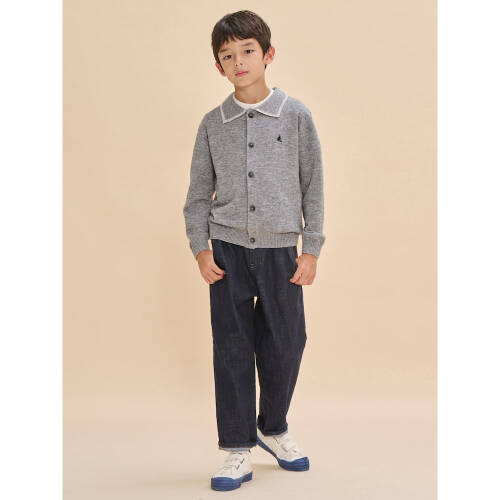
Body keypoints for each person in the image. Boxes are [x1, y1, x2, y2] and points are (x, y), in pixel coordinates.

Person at [183, 9, 326, 492]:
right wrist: (200, 248)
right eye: (227, 56)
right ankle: (236, 447)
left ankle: (274, 426)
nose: (239, 61)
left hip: (281, 251)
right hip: (226, 252)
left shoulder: (295, 115)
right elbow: (198, 194)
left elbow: (313, 186)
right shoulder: (212, 124)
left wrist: (311, 248)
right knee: (232, 349)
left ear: (268, 54)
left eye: (247, 51)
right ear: (218, 66)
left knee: (287, 343)